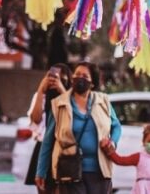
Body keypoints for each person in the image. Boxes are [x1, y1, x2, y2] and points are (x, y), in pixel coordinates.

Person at [36, 62, 122, 194]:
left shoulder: (103, 101)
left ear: (92, 82)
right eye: (77, 74)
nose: (80, 78)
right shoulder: (59, 104)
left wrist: (113, 142)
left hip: (100, 172)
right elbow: (48, 141)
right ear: (72, 79)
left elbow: (116, 127)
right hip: (70, 172)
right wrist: (40, 171)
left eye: (85, 76)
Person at [25, 64, 72, 192]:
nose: (55, 82)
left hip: (64, 150)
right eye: (51, 78)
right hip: (43, 147)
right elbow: (36, 119)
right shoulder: (41, 96)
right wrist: (41, 90)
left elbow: (74, 113)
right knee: (43, 189)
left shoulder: (70, 96)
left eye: (61, 79)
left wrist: (62, 90)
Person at [100, 124, 150, 194]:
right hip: (141, 189)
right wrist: (108, 148)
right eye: (149, 141)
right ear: (143, 142)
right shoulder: (139, 157)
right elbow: (120, 160)